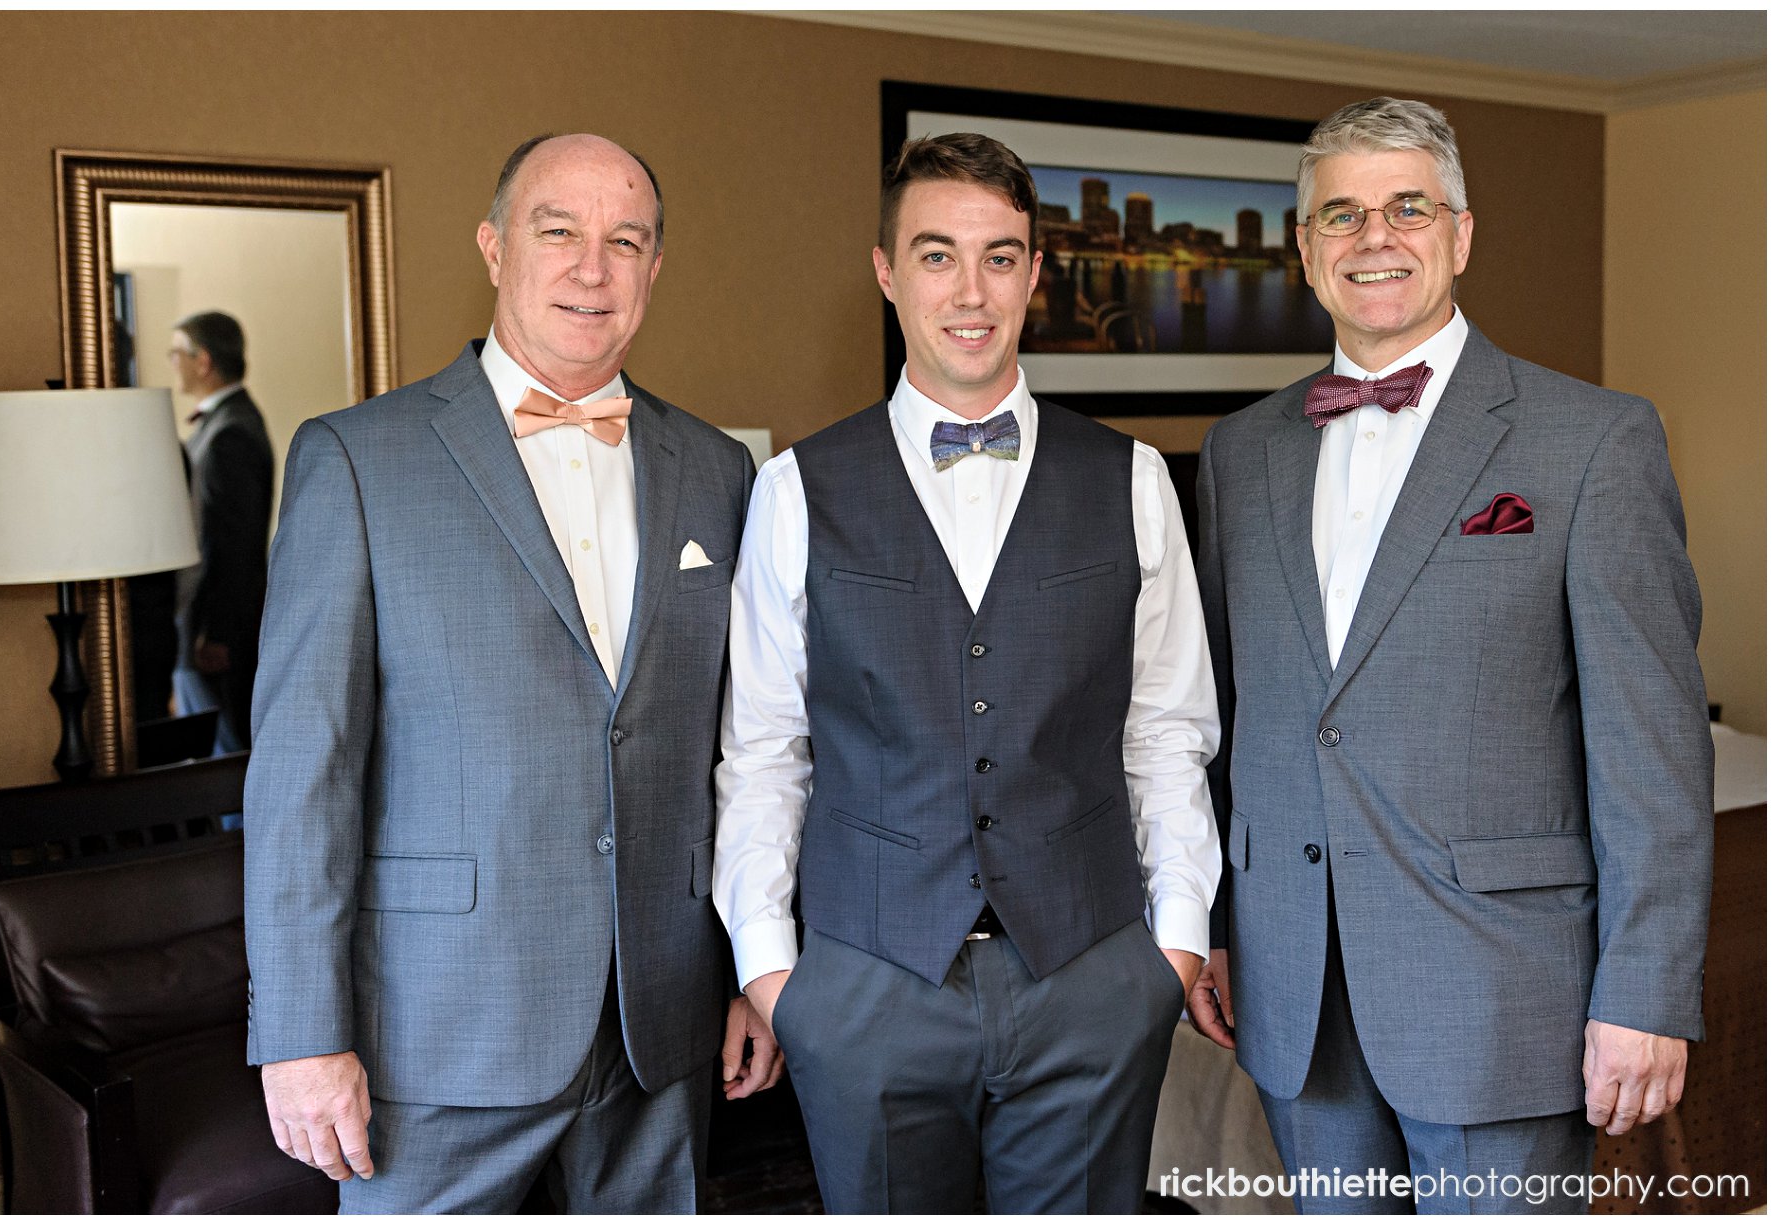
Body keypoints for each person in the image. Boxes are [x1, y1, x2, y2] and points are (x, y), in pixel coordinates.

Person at [1189, 97, 1712, 1213]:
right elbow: (1239, 720)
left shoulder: (1594, 441)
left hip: (1500, 992)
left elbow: (1652, 749)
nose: (1375, 238)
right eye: (1342, 215)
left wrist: (1648, 991)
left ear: (1461, 235)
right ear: (1304, 249)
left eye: (1407, 207)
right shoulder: (1238, 454)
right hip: (1297, 995)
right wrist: (1228, 928)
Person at [243, 133, 778, 1214]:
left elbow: (742, 749)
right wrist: (302, 1034)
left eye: (625, 241)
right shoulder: (355, 459)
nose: (593, 268)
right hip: (439, 1032)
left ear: (655, 268)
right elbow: (305, 768)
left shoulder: (722, 469)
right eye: (559, 233)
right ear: (493, 248)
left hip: (659, 1020)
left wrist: (749, 972)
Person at [714, 132, 1221, 1213]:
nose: (971, 291)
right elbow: (765, 748)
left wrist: (1174, 946)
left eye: (1001, 256)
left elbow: (1166, 733)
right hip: (867, 987)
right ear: (888, 272)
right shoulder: (797, 489)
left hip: (1089, 977)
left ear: (1037, 274)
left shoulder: (1131, 480)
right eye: (938, 255)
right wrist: (773, 972)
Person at [168, 310, 273, 753]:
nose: (171, 363)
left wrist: (218, 634)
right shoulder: (223, 424)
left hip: (218, 633)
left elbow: (234, 542)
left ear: (203, 360)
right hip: (204, 626)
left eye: (176, 352)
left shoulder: (231, 433)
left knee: (226, 754)